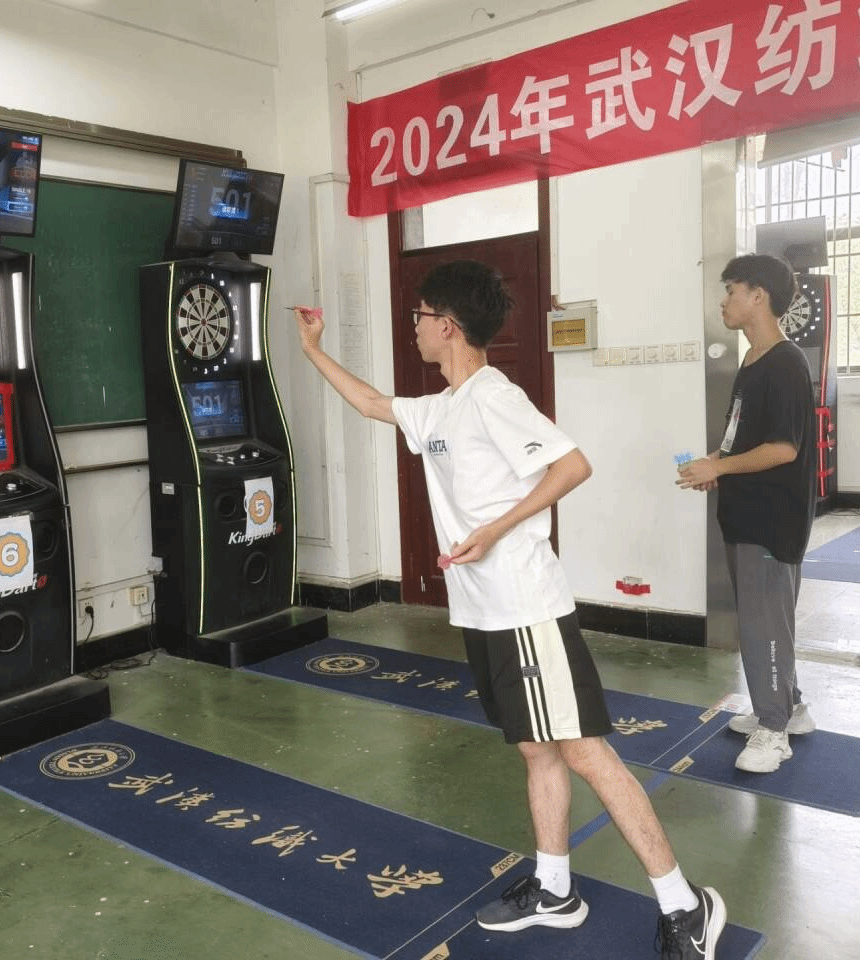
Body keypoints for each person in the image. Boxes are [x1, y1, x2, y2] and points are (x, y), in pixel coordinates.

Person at [294, 260, 725, 960]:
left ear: (447, 325)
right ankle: (555, 890)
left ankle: (686, 903)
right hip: (485, 612)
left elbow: (571, 466)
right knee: (536, 748)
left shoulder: (493, 395)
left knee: (583, 750)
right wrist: (313, 350)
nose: (414, 326)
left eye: (419, 315)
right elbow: (372, 403)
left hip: (525, 607)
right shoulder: (440, 408)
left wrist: (495, 528)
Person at [677, 253, 817, 774]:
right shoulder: (753, 360)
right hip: (744, 513)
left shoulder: (785, 363)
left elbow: (783, 448)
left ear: (758, 296)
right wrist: (715, 464)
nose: (724, 301)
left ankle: (774, 731)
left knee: (764, 627)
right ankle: (790, 708)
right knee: (762, 620)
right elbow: (743, 440)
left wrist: (720, 465)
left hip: (772, 520)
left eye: (731, 290)